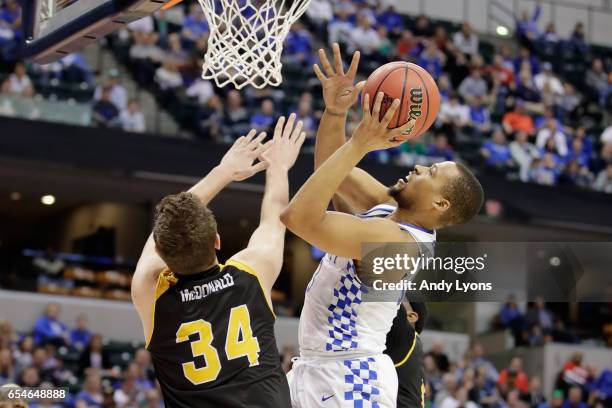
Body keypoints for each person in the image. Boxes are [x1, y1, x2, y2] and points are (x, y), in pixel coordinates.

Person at [281, 44, 484, 408]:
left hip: (350, 383)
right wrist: (336, 111)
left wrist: (360, 143)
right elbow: (333, 169)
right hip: (323, 370)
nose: (421, 168)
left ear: (440, 204)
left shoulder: (398, 246)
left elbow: (298, 218)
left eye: (432, 172)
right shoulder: (390, 208)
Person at [131, 115, 305, 407]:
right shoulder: (251, 274)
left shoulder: (150, 292)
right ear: (218, 241)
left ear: (161, 253)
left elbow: (158, 234)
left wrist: (222, 173)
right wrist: (277, 167)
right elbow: (275, 215)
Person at [384, 293, 429, 407]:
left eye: (401, 297)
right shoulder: (408, 346)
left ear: (411, 316)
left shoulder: (406, 338)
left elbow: (387, 289)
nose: (397, 297)